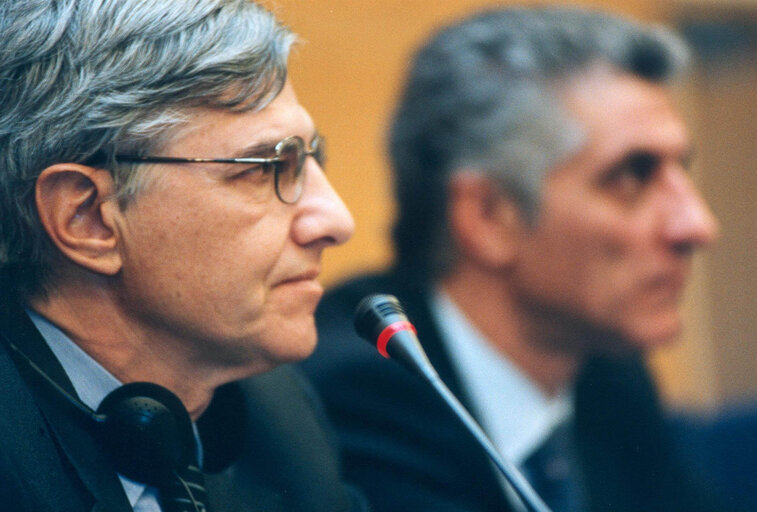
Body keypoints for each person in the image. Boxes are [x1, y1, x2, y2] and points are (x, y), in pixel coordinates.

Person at [300, 6, 734, 512]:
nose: (697, 226)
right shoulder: (360, 397)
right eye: (633, 176)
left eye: (681, 171)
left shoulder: (606, 371)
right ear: (488, 216)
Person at [0, 1, 365, 511]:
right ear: (88, 218)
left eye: (309, 158)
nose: (335, 221)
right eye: (264, 169)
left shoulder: (281, 421)